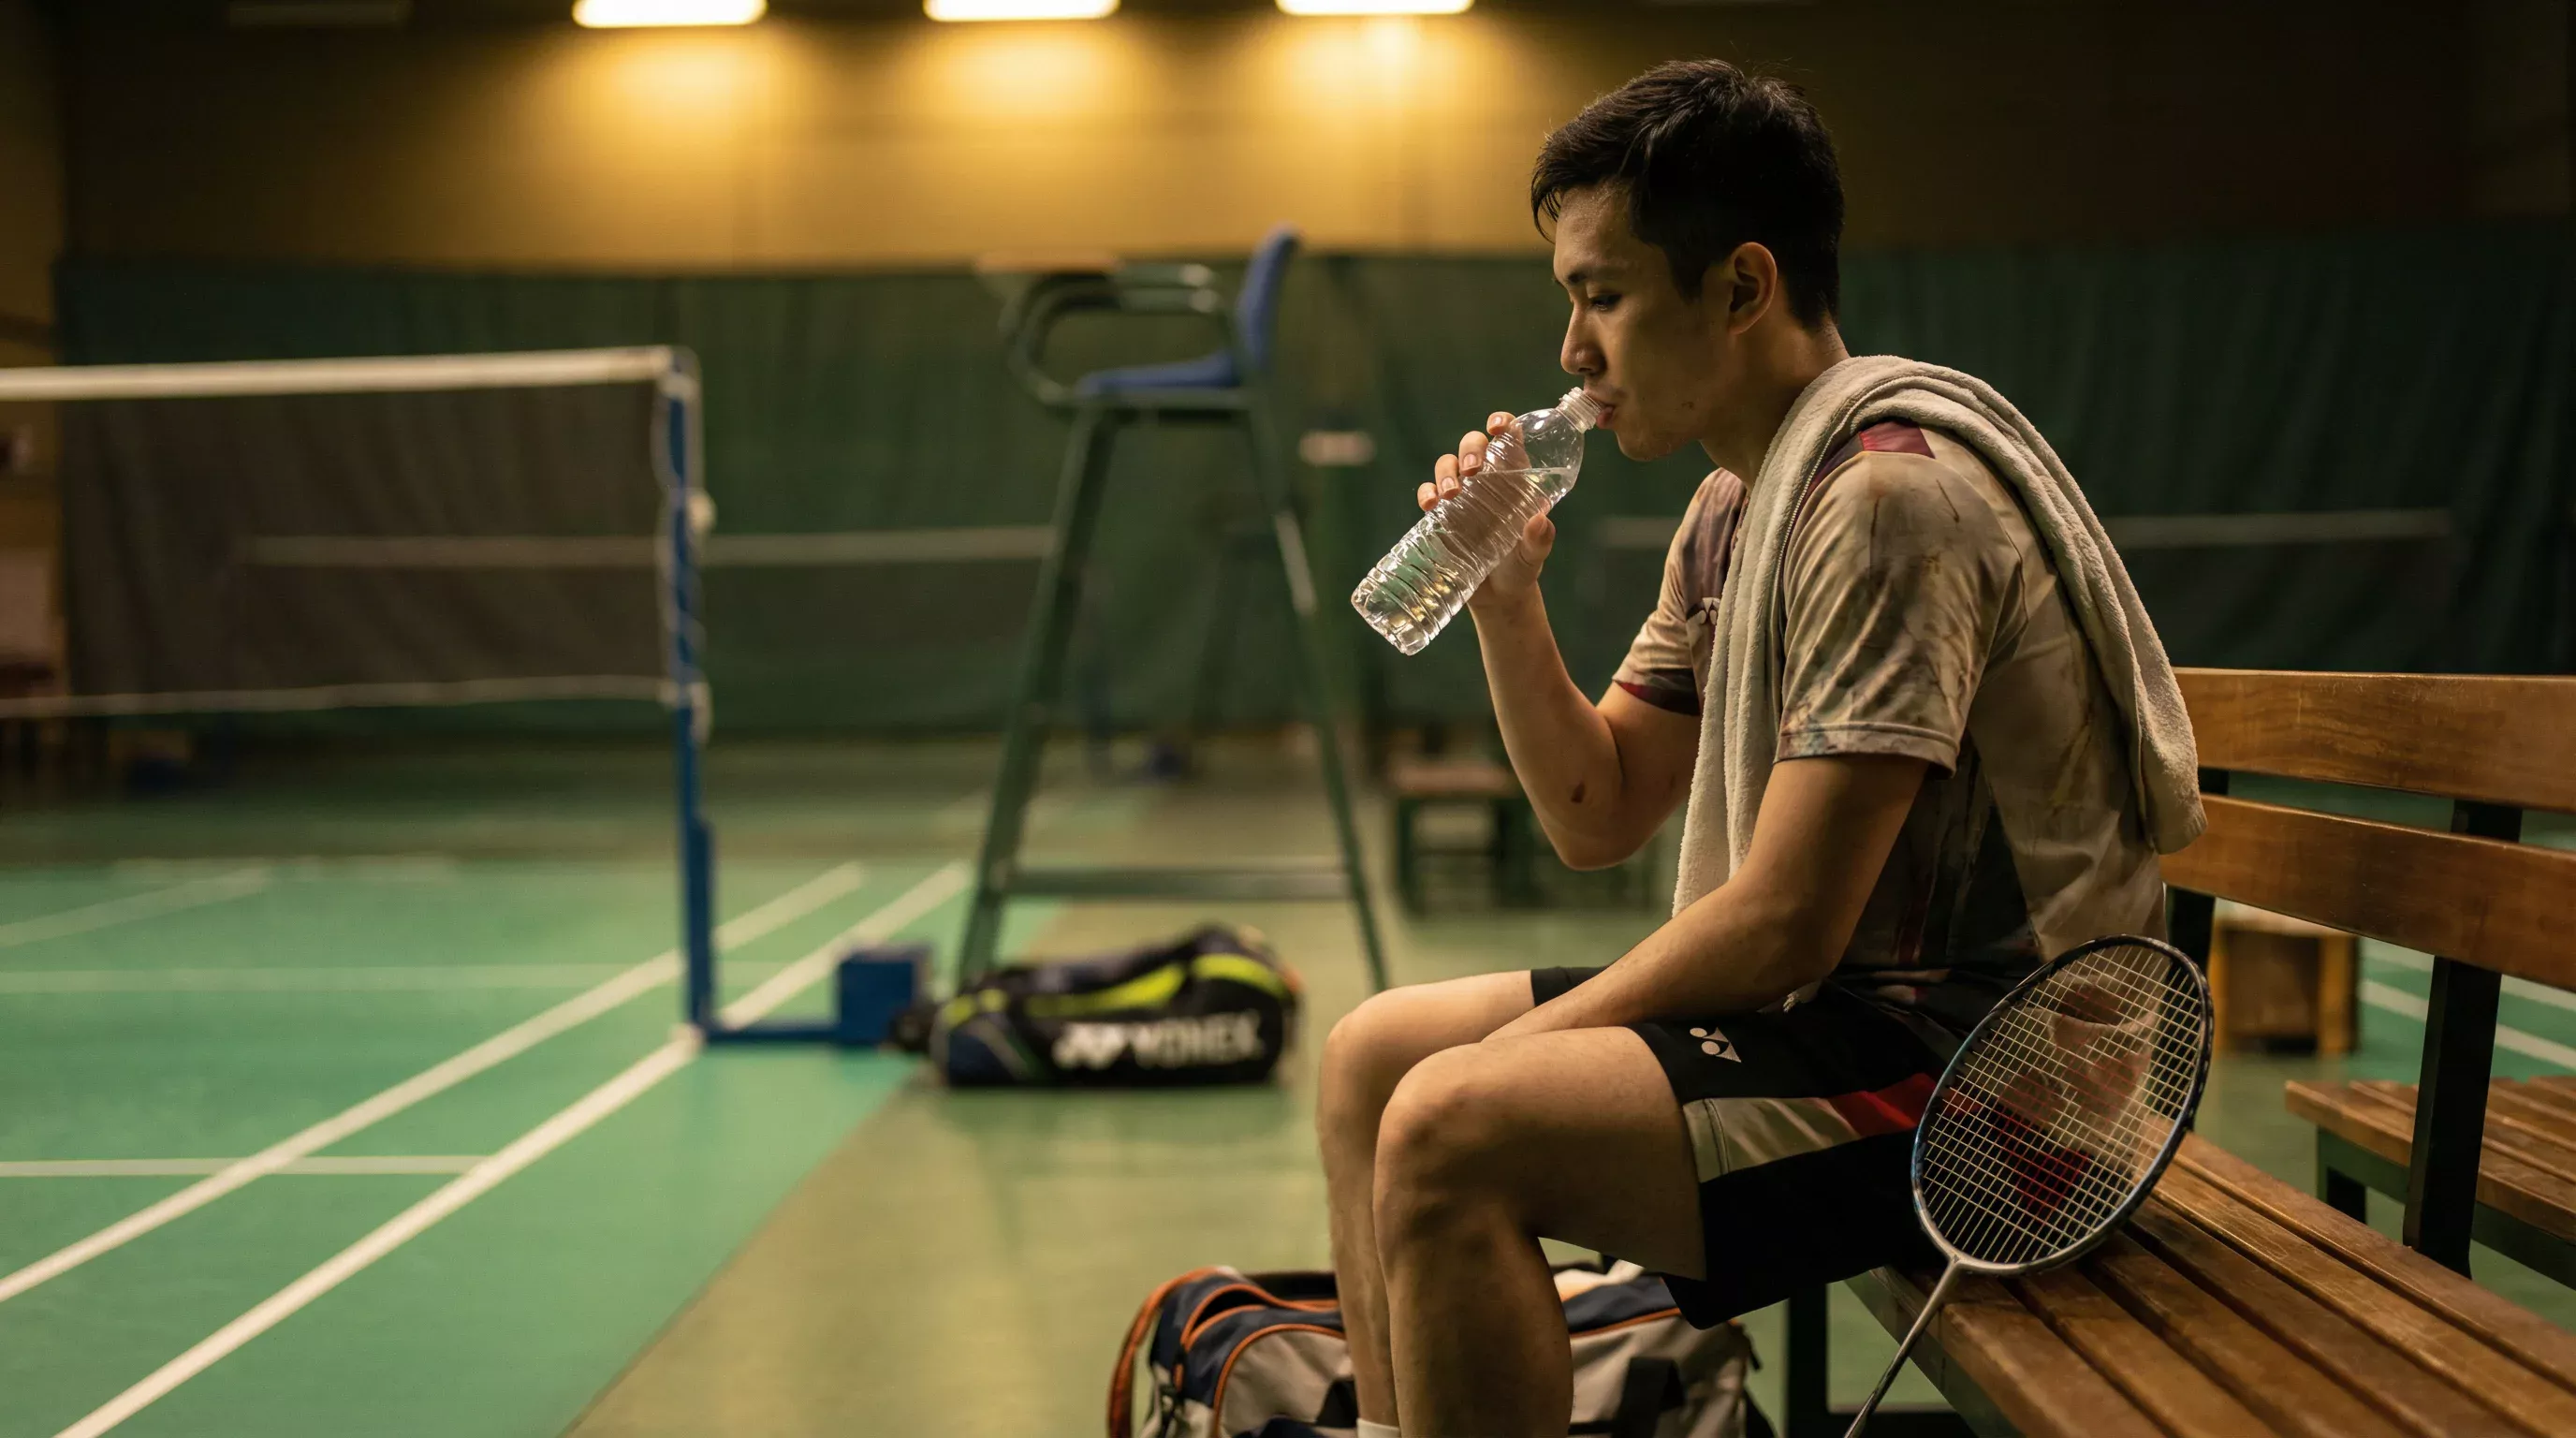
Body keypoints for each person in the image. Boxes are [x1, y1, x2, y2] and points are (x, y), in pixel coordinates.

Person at [1315, 59, 2202, 1438]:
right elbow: (1598, 810)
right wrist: (1504, 598)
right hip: (1854, 1020)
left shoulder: (1887, 499)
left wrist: (1517, 1051)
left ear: (1741, 288)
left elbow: (1786, 922)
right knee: (1374, 1057)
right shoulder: (1736, 511)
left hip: (2002, 1088)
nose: (1572, 352)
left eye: (1603, 296)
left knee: (1446, 1122)